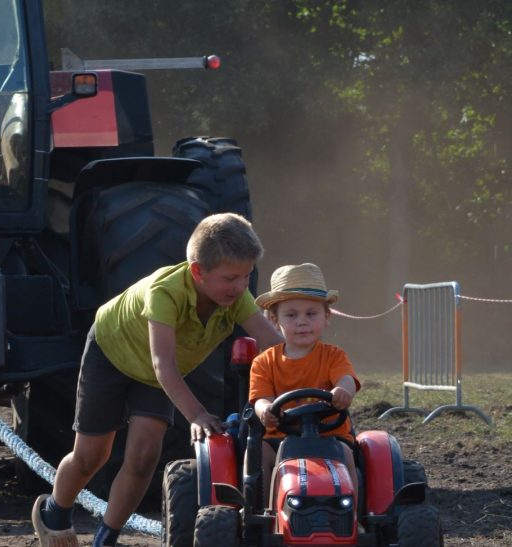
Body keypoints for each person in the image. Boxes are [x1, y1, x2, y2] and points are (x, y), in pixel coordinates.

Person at [32, 213, 284, 547]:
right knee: (92, 456)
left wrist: (316, 368)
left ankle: (105, 539)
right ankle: (54, 512)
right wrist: (196, 415)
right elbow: (162, 363)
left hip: (154, 376)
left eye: (247, 276)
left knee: (144, 456)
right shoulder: (164, 292)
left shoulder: (236, 298)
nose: (240, 286)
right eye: (230, 278)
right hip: (113, 352)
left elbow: (273, 343)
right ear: (198, 272)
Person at [249, 262, 360, 507]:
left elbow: (346, 379)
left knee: (347, 455)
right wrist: (265, 410)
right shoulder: (264, 362)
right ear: (273, 319)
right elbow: (260, 398)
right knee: (260, 453)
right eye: (291, 315)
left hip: (329, 434)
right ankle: (266, 511)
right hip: (280, 436)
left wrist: (343, 390)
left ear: (327, 317)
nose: (302, 322)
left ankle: (354, 514)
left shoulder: (334, 356)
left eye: (311, 313)